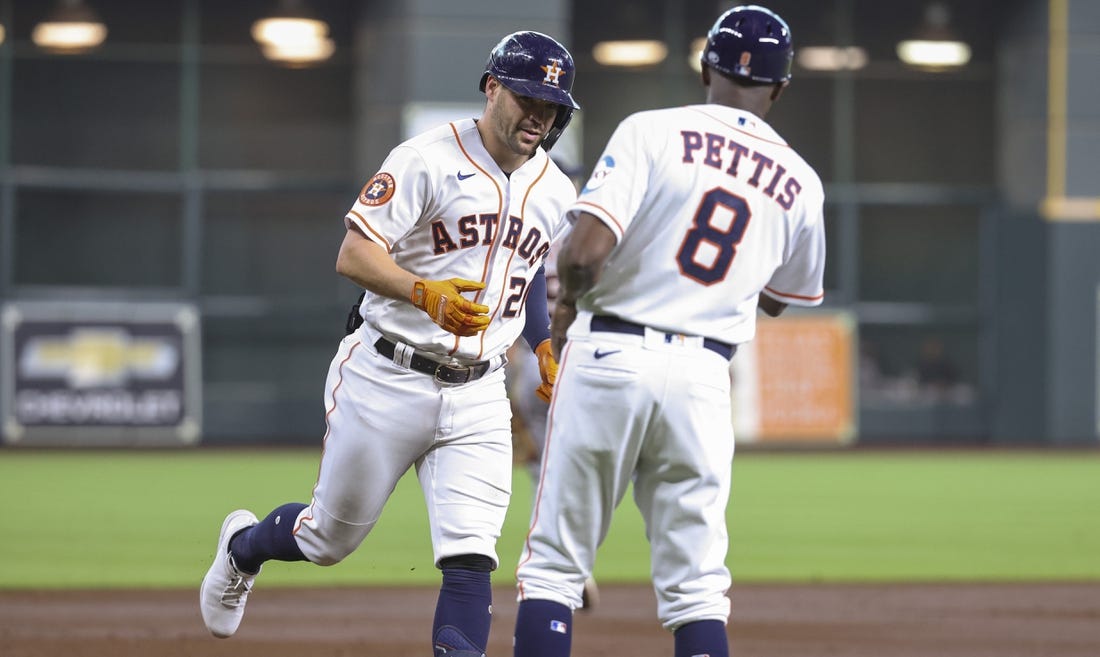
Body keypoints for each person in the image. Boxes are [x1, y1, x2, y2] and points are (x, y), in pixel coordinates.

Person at [200, 30, 581, 657]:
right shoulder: (426, 158)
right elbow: (353, 253)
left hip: (481, 392)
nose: (539, 115)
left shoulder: (556, 188)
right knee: (328, 539)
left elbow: (532, 265)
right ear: (492, 89)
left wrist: (542, 342)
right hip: (386, 373)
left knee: (471, 558)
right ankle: (244, 546)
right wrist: (425, 293)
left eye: (553, 106)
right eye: (527, 97)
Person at [512, 6, 826, 657]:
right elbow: (778, 300)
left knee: (554, 569)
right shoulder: (801, 181)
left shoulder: (650, 131)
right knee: (697, 588)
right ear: (782, 86)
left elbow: (580, 253)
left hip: (612, 353)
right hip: (705, 376)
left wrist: (566, 310)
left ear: (704, 64)